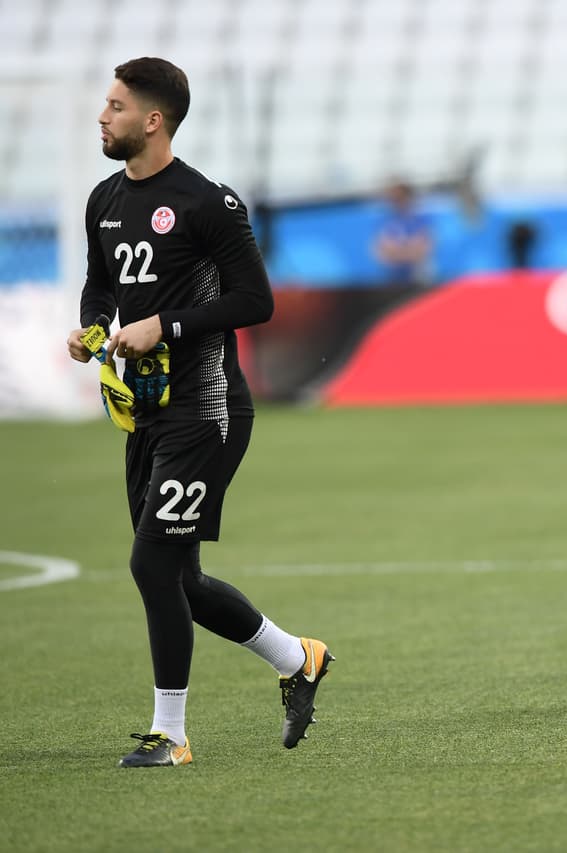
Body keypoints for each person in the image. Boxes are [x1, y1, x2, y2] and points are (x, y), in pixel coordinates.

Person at [65, 57, 333, 767]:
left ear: (153, 120)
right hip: (147, 412)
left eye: (116, 105)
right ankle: (298, 656)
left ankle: (172, 734)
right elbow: (101, 285)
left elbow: (256, 301)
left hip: (207, 408)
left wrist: (166, 325)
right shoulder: (103, 199)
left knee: (152, 566)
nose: (103, 115)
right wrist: (93, 328)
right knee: (177, 575)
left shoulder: (209, 203)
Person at [372, 180, 432, 285]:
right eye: (393, 198)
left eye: (399, 197)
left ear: (408, 197)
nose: (395, 201)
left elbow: (421, 251)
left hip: (417, 277)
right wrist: (405, 252)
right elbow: (382, 252)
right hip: (391, 278)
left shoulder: (420, 220)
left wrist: (397, 253)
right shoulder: (385, 221)